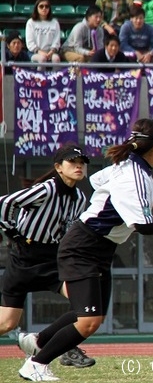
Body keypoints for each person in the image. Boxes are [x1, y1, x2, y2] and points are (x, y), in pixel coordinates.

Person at [17, 119, 153, 381]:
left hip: (99, 248)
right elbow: (143, 226)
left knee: (92, 317)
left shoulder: (128, 167)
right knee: (88, 321)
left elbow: (99, 180)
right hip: (84, 246)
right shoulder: (135, 176)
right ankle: (36, 364)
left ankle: (38, 340)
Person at [0, 144, 95, 373]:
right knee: (6, 323)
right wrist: (12, 233)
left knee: (85, 304)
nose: (78, 166)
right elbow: (4, 202)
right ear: (58, 167)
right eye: (72, 162)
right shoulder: (47, 190)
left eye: (81, 162)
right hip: (24, 258)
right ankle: (58, 345)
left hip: (53, 259)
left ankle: (61, 344)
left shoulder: (80, 198)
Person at [26, 0, 62, 66]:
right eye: (41, 6)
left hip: (51, 52)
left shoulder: (55, 22)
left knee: (56, 59)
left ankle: (56, 76)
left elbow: (56, 41)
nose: (44, 8)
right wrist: (39, 51)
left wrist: (51, 51)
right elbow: (30, 42)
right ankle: (39, 76)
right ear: (37, 8)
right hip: (34, 52)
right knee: (42, 59)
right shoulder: (31, 22)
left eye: (46, 6)